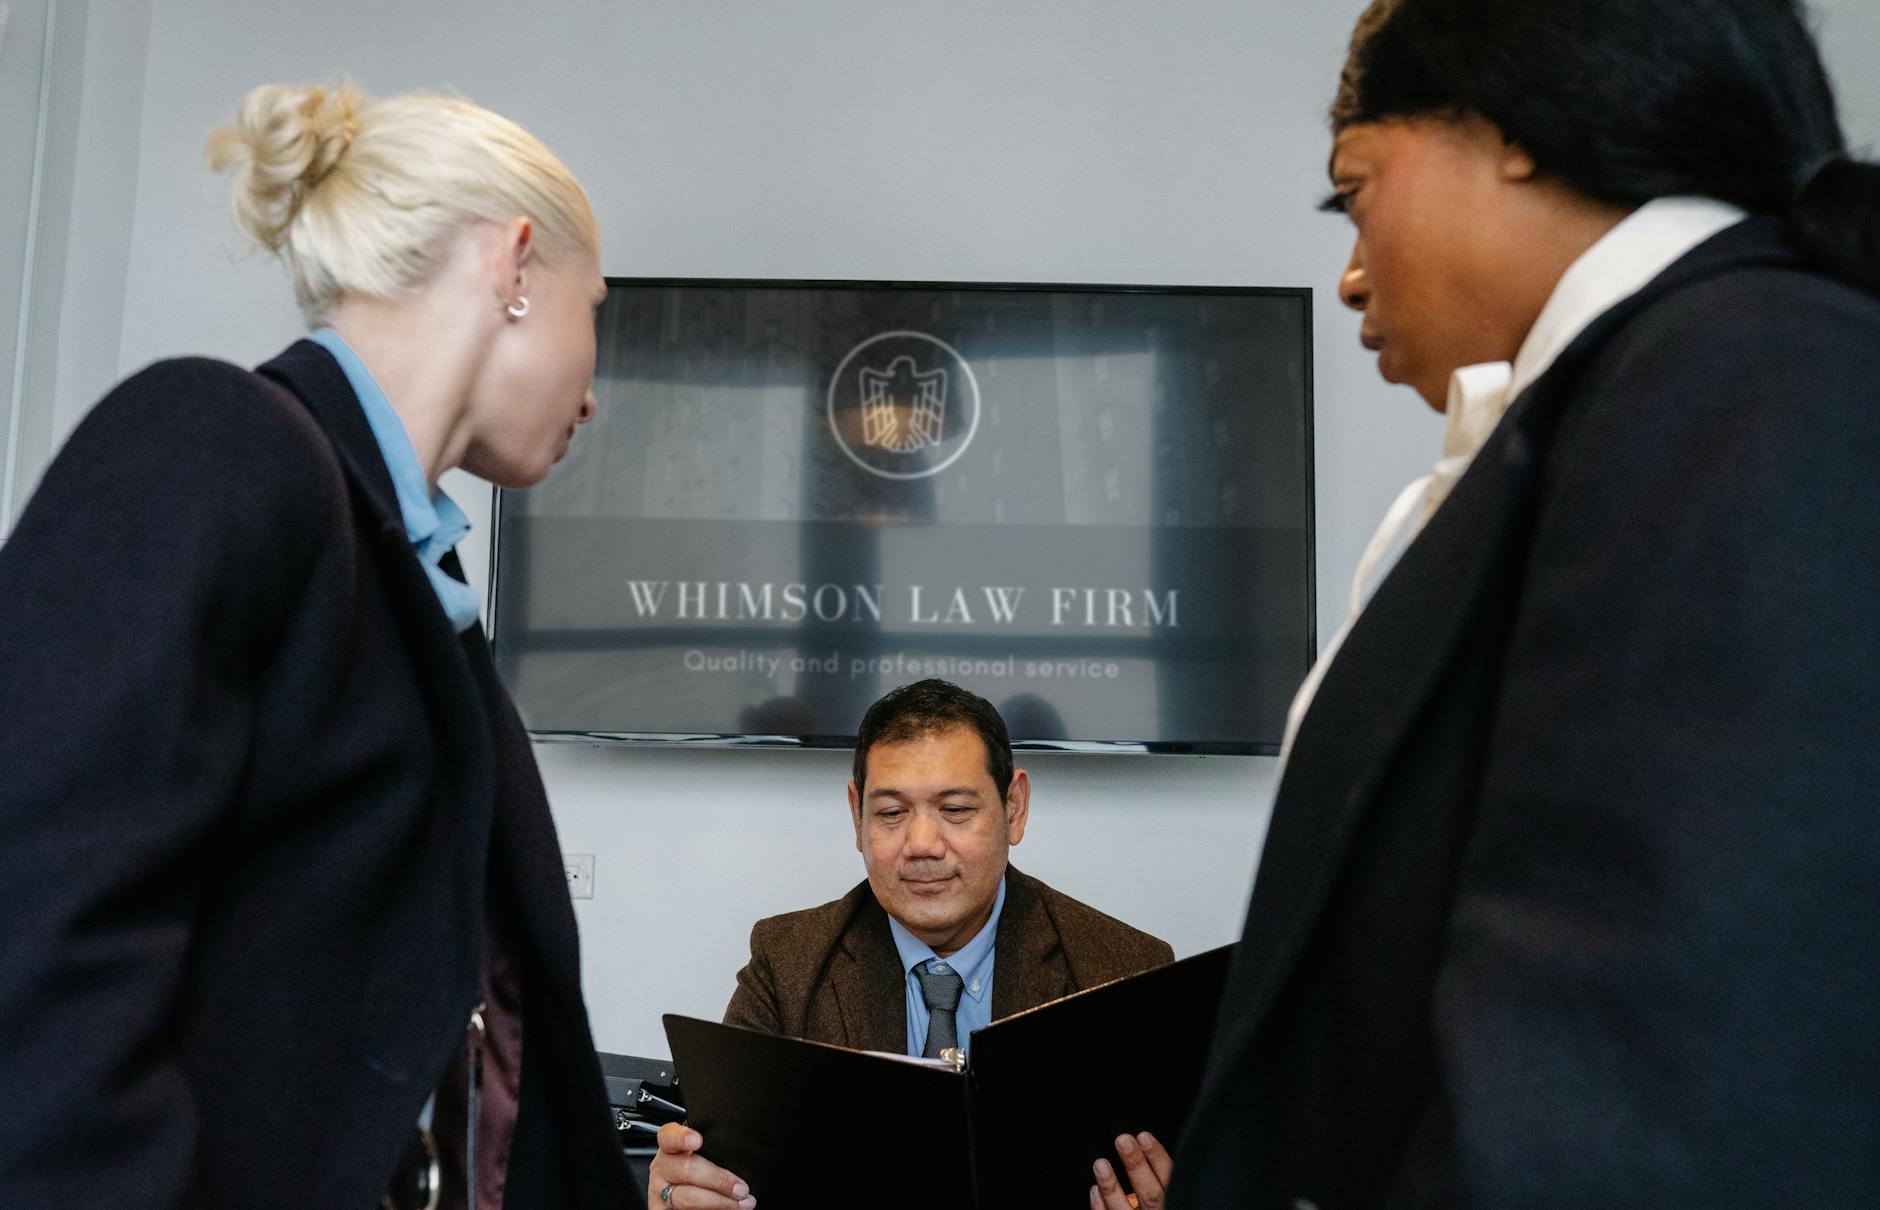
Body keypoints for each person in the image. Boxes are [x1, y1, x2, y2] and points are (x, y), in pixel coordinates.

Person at [1174, 0, 1880, 1206]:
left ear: (1505, 127)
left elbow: (1645, 1056)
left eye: (1351, 191)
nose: (1349, 266)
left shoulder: (1746, 372)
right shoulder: (1634, 395)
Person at [0, 83, 633, 1209]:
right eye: (599, 308)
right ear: (515, 265)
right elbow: (39, 926)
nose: (595, 393)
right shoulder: (214, 439)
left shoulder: (408, 568)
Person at [647, 679, 1177, 1210]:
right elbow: (726, 1172)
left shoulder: (1129, 972)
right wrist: (682, 1190)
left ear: (1013, 808)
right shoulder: (786, 964)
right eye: (892, 814)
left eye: (955, 810)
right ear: (857, 816)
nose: (922, 846)